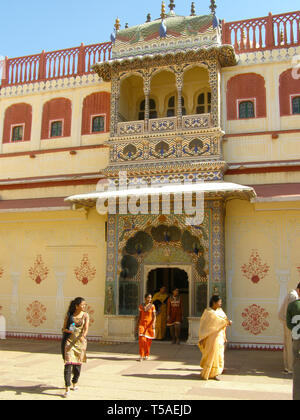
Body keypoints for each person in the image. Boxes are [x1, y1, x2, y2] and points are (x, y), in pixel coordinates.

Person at [198, 295, 232, 381]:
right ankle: (208, 373)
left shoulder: (220, 311)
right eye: (219, 302)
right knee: (211, 354)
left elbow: (223, 321)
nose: (220, 303)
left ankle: (215, 373)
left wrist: (226, 327)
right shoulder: (208, 312)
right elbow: (205, 325)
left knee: (219, 354)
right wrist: (226, 322)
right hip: (211, 337)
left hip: (219, 336)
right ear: (214, 302)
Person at [61, 297, 89, 398]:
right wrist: (67, 330)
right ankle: (67, 388)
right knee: (68, 364)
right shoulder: (70, 316)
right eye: (82, 305)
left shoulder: (85, 315)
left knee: (77, 366)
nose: (84, 306)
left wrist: (83, 336)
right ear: (77, 306)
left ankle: (75, 381)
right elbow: (65, 328)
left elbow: (86, 329)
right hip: (69, 342)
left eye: (85, 305)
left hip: (80, 343)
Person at [278, 283, 300, 374]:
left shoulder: (292, 294)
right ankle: (291, 368)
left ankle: (288, 367)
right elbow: (290, 312)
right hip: (290, 323)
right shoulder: (293, 296)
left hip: (288, 322)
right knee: (291, 346)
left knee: (288, 345)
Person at [286, 294, 300, 400]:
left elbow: (288, 323)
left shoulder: (292, 305)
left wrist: (296, 332)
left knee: (297, 370)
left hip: (297, 339)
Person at [137, 293, 156, 361]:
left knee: (148, 341)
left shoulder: (152, 306)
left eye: (150, 298)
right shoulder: (141, 306)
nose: (149, 299)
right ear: (145, 298)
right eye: (148, 297)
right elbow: (139, 316)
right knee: (142, 340)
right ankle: (141, 355)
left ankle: (146, 354)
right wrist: (137, 324)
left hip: (149, 325)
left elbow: (154, 316)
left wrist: (153, 323)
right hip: (142, 324)